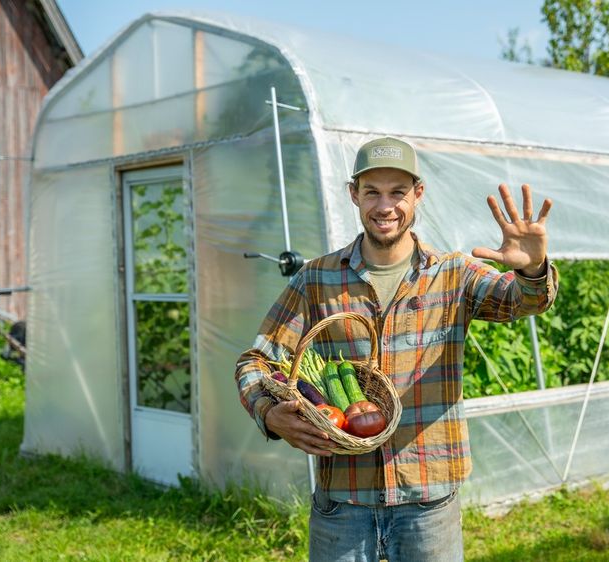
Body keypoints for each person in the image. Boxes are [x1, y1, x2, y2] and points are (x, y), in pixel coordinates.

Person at [236, 136, 558, 561]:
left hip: (428, 500)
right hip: (344, 501)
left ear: (417, 195)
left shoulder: (453, 274)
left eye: (397, 192)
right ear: (354, 195)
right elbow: (256, 361)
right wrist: (269, 414)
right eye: (372, 192)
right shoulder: (318, 279)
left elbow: (524, 300)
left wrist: (533, 269)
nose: (385, 206)